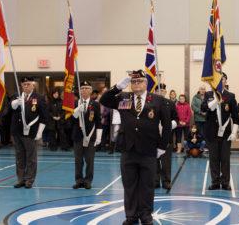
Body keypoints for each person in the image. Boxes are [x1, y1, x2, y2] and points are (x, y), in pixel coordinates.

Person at [100, 70, 171, 225]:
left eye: (139, 81)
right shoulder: (124, 97)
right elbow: (105, 100)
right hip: (128, 149)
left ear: (146, 84)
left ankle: (146, 215)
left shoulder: (158, 100)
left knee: (147, 186)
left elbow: (166, 125)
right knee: (129, 185)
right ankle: (131, 216)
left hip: (149, 150)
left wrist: (162, 146)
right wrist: (117, 87)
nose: (136, 84)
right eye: (133, 82)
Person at [202, 73, 239, 190]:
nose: (219, 81)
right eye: (217, 79)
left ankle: (225, 182)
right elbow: (203, 108)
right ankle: (215, 181)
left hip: (226, 133)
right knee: (213, 159)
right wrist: (215, 101)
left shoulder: (230, 96)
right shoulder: (208, 94)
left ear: (225, 82)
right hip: (212, 132)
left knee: (225, 159)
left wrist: (234, 132)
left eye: (222, 79)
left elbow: (236, 117)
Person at [11, 77, 47, 188]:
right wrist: (16, 103)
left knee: (31, 158)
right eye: (24, 84)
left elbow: (44, 117)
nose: (26, 86)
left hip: (31, 132)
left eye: (28, 84)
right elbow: (10, 108)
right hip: (17, 132)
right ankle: (20, 179)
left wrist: (40, 132)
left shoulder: (39, 98)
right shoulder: (16, 96)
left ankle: (29, 180)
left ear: (33, 86)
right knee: (20, 157)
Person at [71, 81, 102, 189]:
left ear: (90, 91)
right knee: (78, 160)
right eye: (82, 88)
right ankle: (79, 180)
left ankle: (88, 180)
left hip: (91, 136)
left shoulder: (95, 104)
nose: (84, 90)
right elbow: (70, 118)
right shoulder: (75, 103)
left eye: (86, 88)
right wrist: (76, 110)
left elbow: (98, 121)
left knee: (89, 160)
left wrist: (99, 137)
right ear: (79, 90)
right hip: (78, 136)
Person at [154, 83, 178, 189]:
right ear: (155, 92)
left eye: (163, 91)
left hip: (166, 136)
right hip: (153, 136)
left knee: (166, 161)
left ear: (165, 92)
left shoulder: (170, 104)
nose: (161, 93)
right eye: (158, 91)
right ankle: (155, 181)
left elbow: (176, 118)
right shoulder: (150, 103)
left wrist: (169, 126)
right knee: (154, 160)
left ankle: (166, 181)